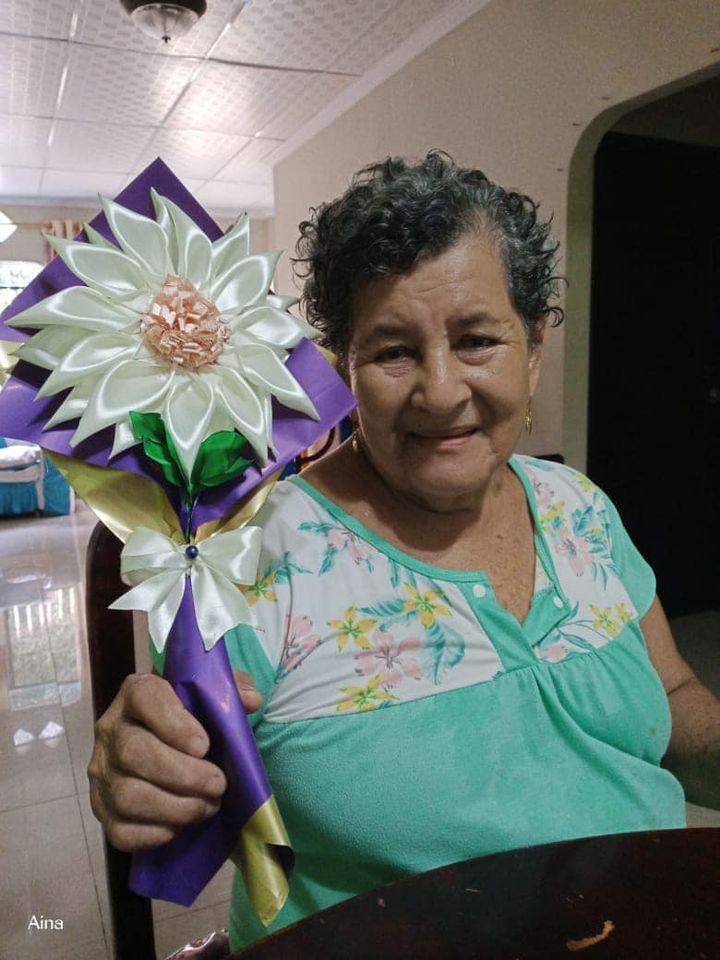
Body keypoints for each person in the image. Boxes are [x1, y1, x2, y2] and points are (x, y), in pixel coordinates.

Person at [89, 152, 720, 951]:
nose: (442, 391)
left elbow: (672, 691)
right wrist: (147, 768)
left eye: (478, 340)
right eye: (392, 351)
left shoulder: (581, 508)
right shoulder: (250, 556)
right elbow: (186, 787)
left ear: (533, 348)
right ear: (341, 368)